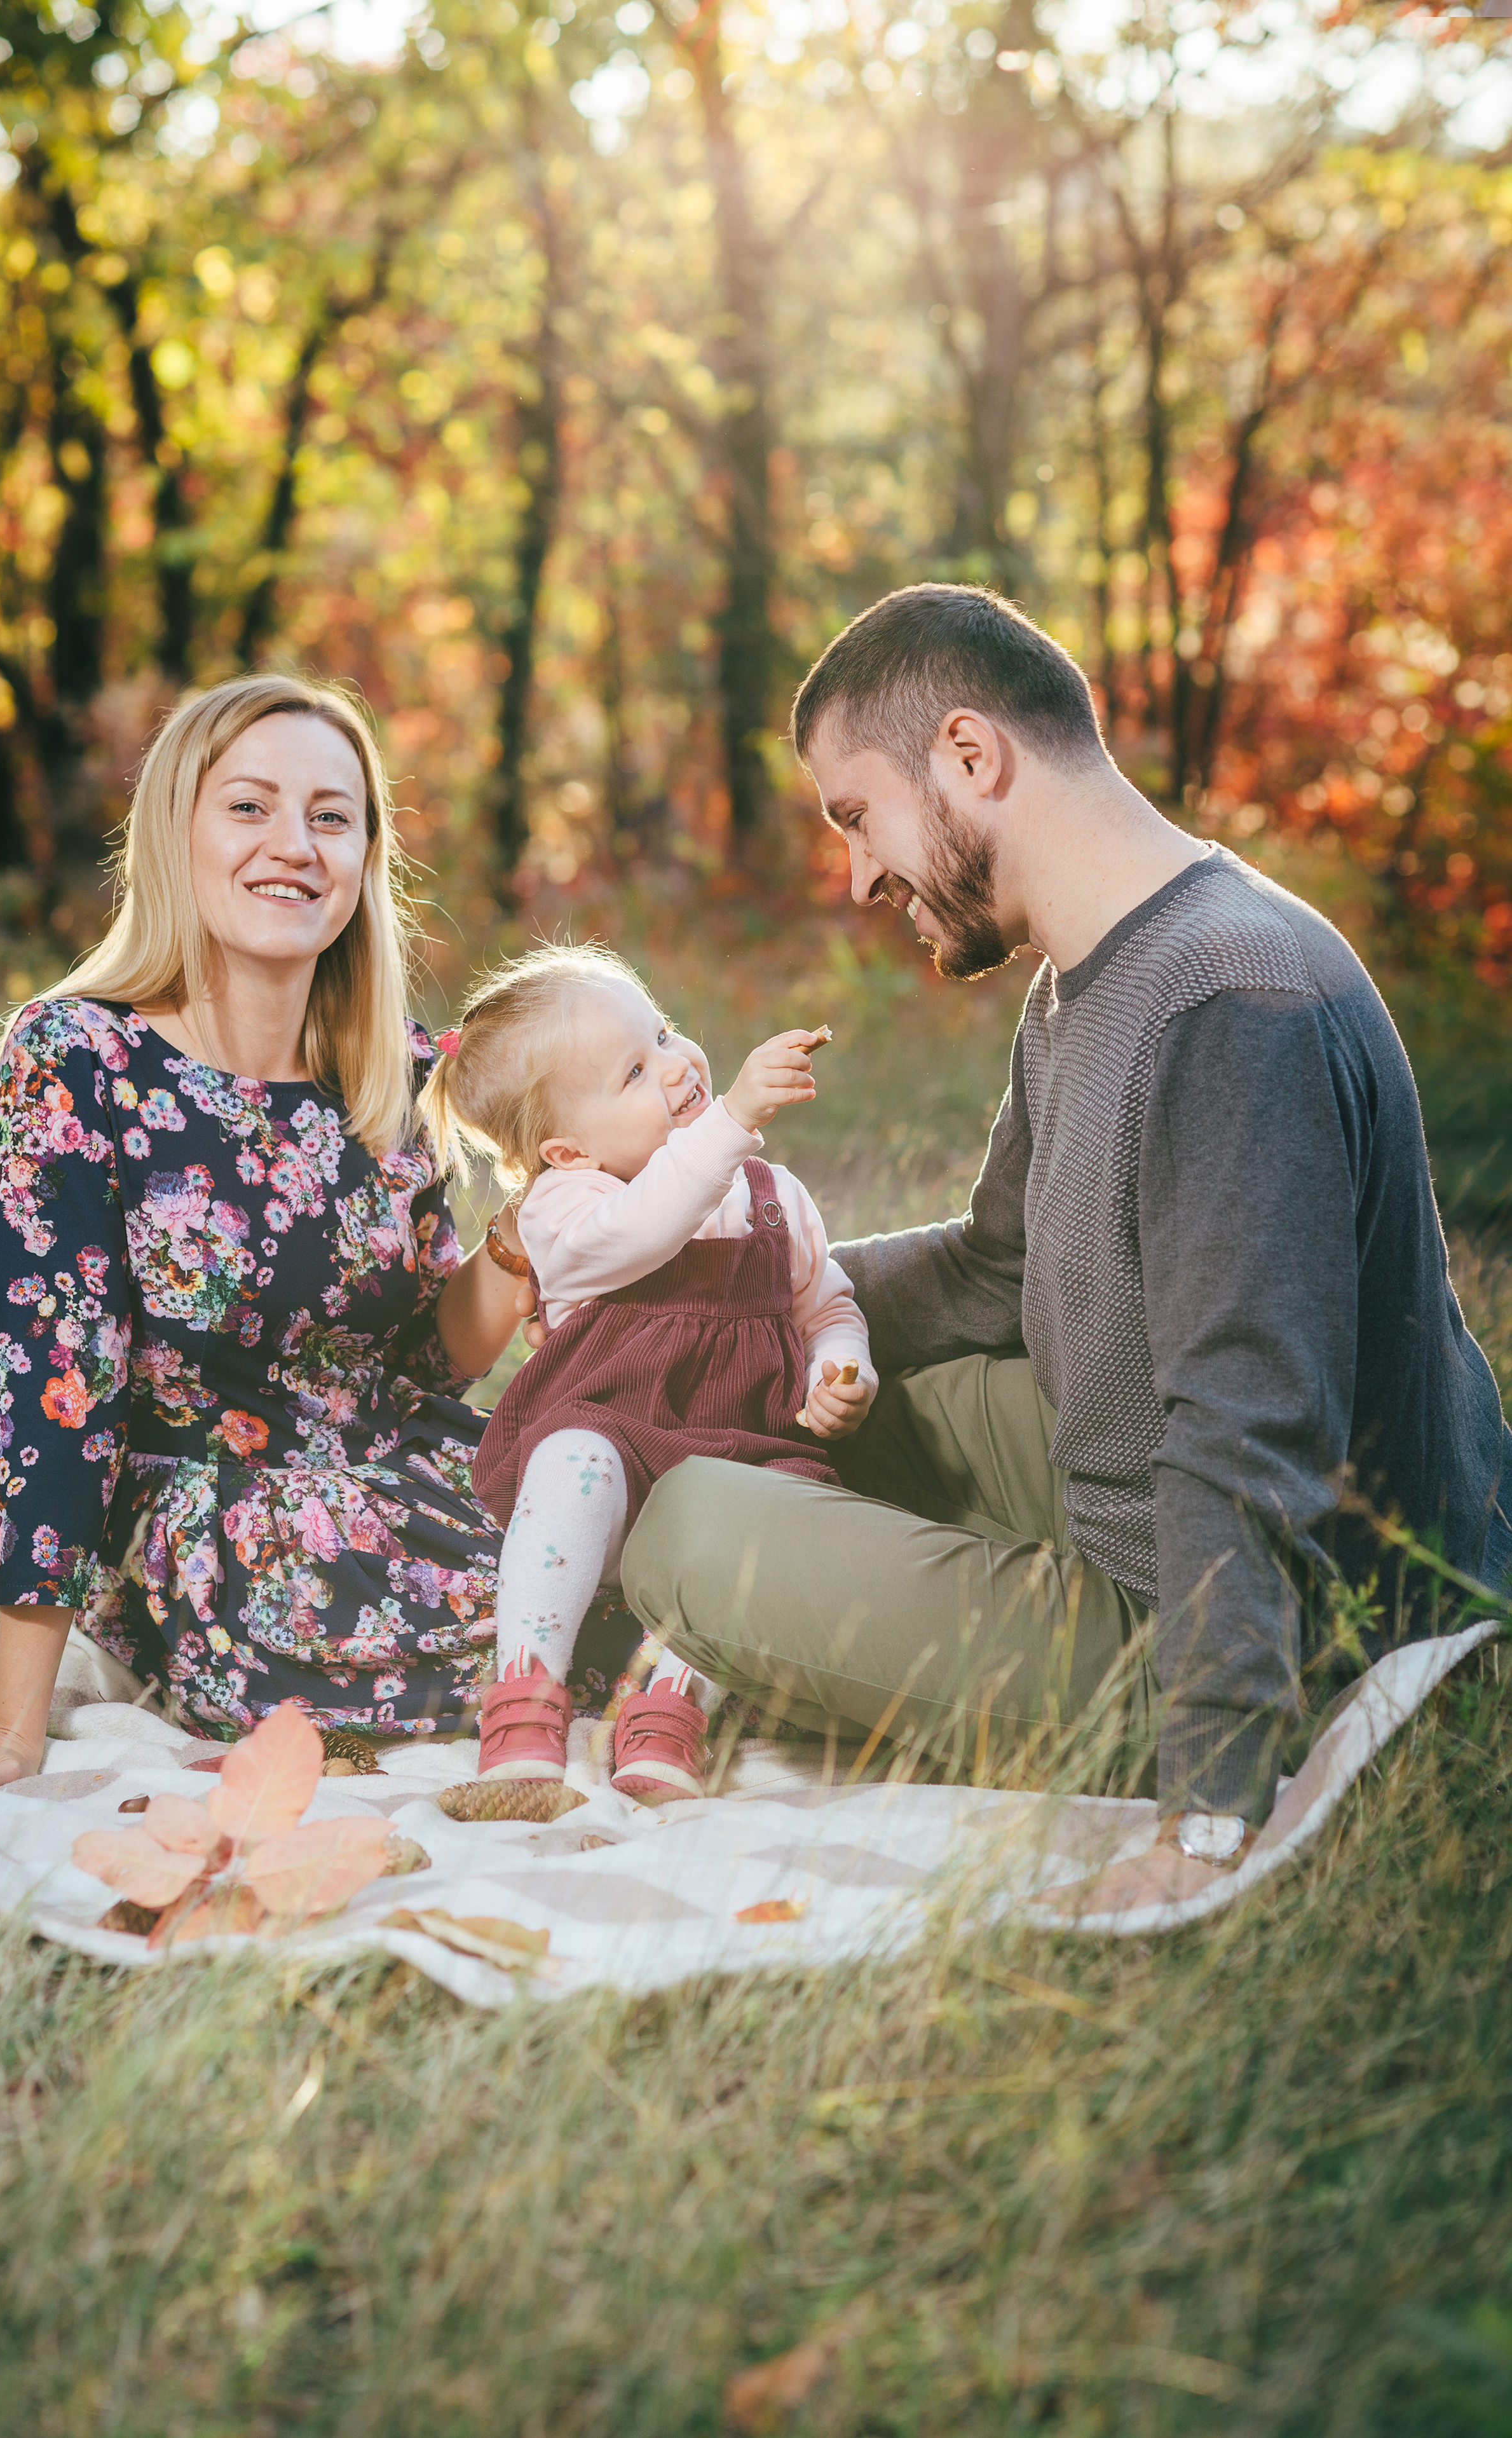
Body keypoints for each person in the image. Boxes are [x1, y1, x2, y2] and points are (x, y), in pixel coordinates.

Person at [617, 583, 1512, 1911]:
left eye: (856, 817)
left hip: (1271, 1615)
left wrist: (1203, 1822)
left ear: (969, 758)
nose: (856, 875)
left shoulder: (1230, 1005)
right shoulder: (1088, 968)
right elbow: (992, 1268)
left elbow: (1246, 1432)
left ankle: (1202, 1738)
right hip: (1111, 1466)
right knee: (750, 1392)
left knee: (689, 1524)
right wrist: (698, 1296)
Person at [0, 675, 541, 1795]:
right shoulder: (80, 1062)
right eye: (250, 807)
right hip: (225, 1536)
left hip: (408, 1477)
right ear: (175, 831)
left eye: (331, 817)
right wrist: (13, 1731)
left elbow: (425, 1360)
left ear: (365, 860)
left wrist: (523, 1246)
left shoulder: (394, 1074)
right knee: (556, 1630)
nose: (295, 844)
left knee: (644, 1546)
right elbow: (54, 1396)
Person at [422, 944, 876, 1812]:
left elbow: (829, 1308)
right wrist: (733, 1115)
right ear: (566, 1149)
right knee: (571, 1461)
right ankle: (523, 1701)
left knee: (781, 1525)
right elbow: (649, 1224)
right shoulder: (567, 1210)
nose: (675, 1066)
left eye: (663, 1034)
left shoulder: (771, 1196)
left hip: (739, 1469)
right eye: (635, 1071)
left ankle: (670, 1706)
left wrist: (841, 1370)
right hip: (614, 1475)